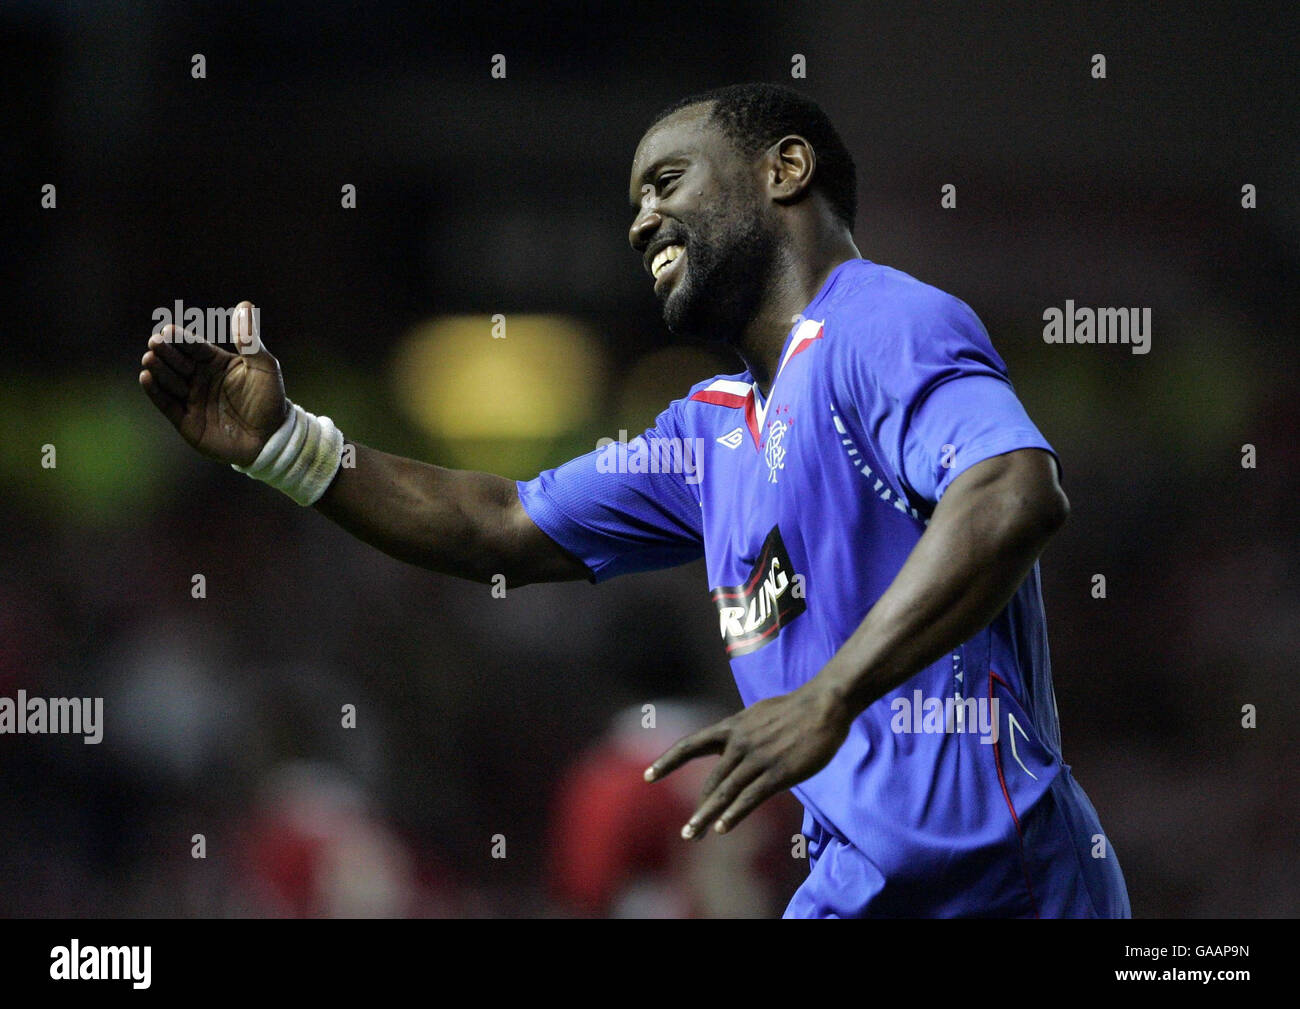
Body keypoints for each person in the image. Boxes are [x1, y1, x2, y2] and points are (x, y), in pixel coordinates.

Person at [139, 82, 1130, 918]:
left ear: (786, 171)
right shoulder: (707, 431)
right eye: (633, 201)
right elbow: (504, 524)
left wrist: (829, 695)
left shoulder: (882, 322)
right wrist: (283, 447)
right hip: (853, 891)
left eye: (666, 182)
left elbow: (1010, 491)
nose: (640, 220)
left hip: (1006, 886)